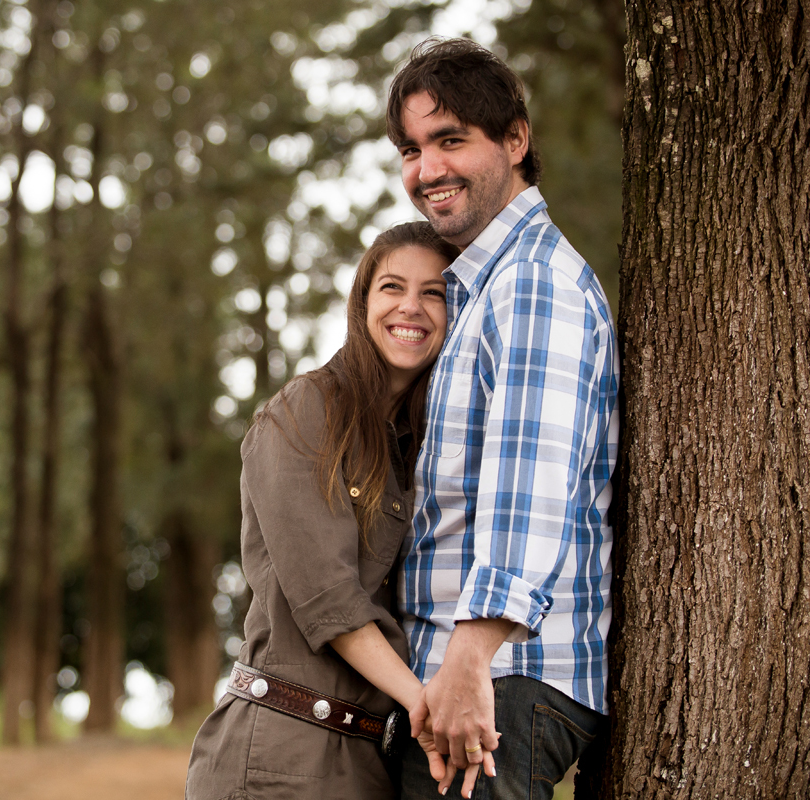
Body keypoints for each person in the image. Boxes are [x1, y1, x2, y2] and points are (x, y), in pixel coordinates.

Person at [386, 38, 620, 800]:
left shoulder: (531, 283)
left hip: (500, 685)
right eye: (412, 149)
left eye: (451, 140)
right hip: (474, 681)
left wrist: (468, 662)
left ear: (515, 140)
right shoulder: (482, 290)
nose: (428, 170)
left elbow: (530, 486)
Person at [185, 222, 461, 800]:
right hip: (280, 756)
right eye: (392, 287)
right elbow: (328, 598)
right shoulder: (303, 412)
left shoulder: (422, 444)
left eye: (434, 292)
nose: (411, 306)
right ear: (363, 303)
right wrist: (425, 705)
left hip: (366, 761)